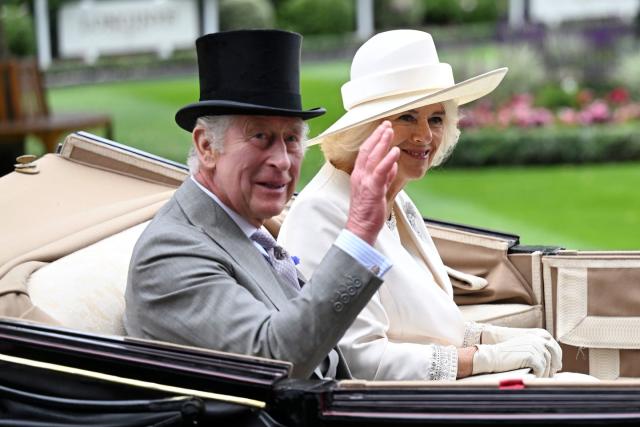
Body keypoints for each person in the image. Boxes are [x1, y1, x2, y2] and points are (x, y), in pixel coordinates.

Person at [278, 29, 563, 380]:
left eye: (436, 118)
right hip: (399, 406)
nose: (425, 136)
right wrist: (487, 357)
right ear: (366, 129)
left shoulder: (398, 198)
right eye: (407, 117)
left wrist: (500, 338)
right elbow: (360, 361)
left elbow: (430, 325)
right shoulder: (320, 212)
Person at [124, 29, 401, 380]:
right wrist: (359, 232)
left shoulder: (248, 231)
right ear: (207, 145)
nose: (283, 161)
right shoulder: (170, 253)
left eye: (291, 139)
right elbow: (276, 359)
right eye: (261, 137)